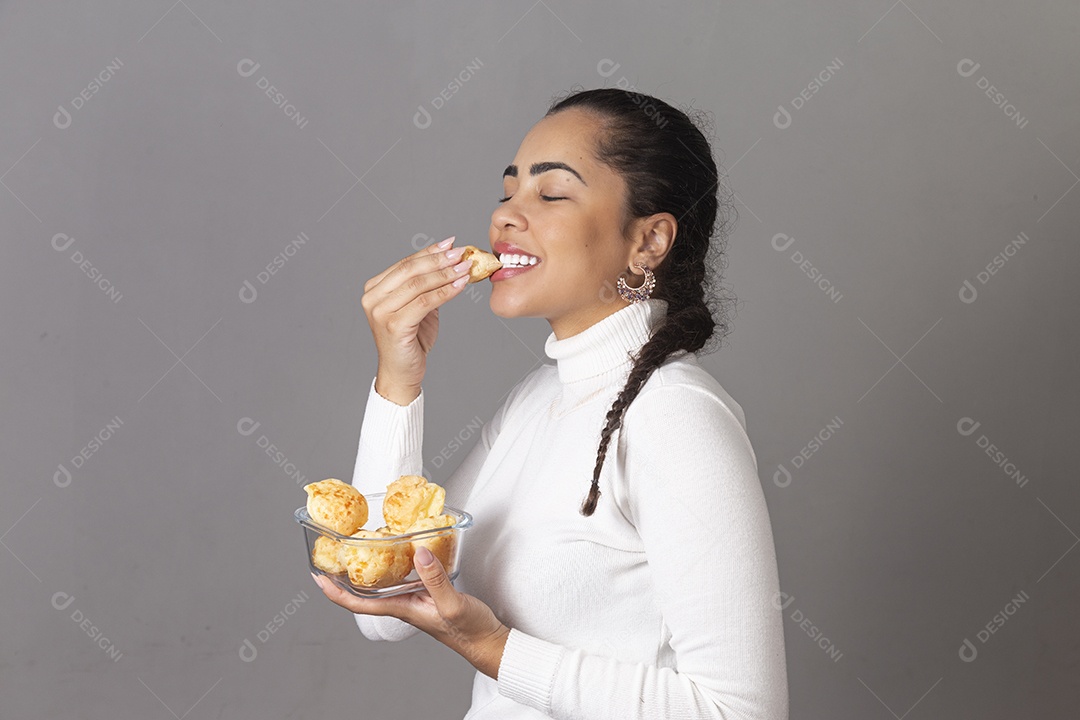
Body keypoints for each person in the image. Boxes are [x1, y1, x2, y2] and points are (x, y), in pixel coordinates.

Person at [311, 86, 789, 719]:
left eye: (551, 193)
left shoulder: (676, 415)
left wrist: (492, 648)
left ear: (649, 240)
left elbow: (742, 712)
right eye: (508, 191)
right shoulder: (536, 401)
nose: (507, 215)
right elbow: (386, 600)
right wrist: (399, 382)